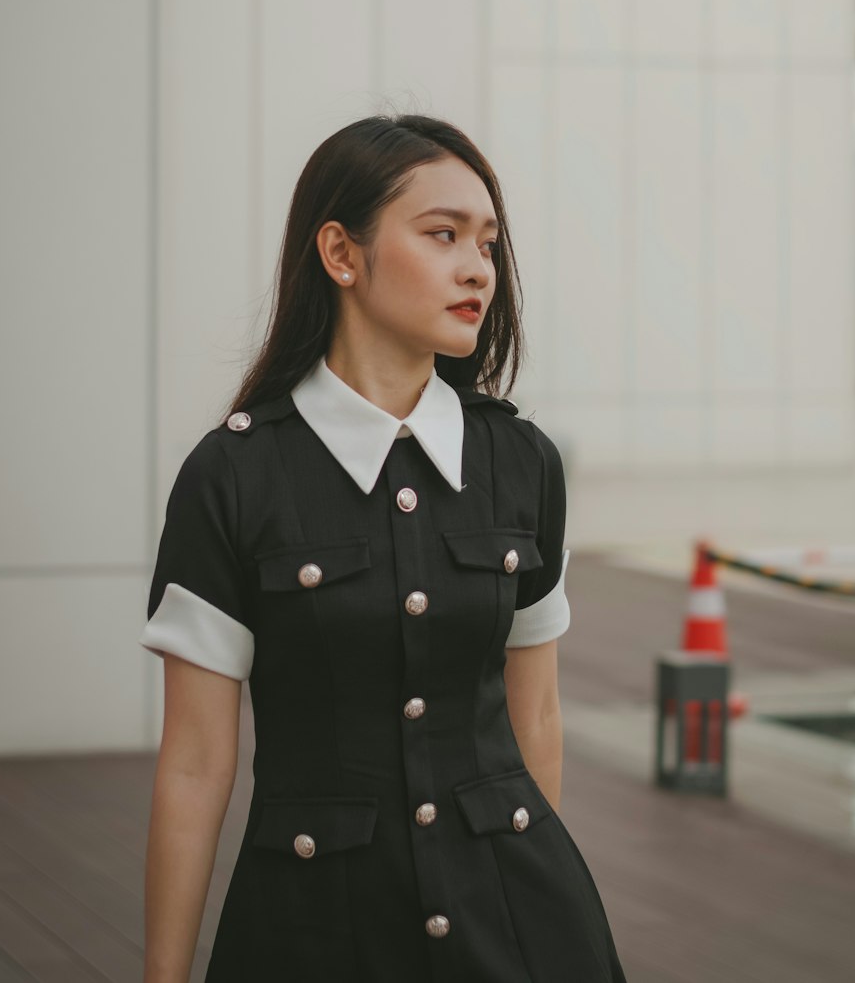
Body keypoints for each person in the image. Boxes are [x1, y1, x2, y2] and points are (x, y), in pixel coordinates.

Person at [140, 112, 627, 982]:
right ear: (342, 254)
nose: (477, 266)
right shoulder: (235, 475)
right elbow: (194, 764)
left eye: (487, 242)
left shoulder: (521, 462)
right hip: (311, 934)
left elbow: (537, 718)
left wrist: (527, 909)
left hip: (515, 929)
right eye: (443, 235)